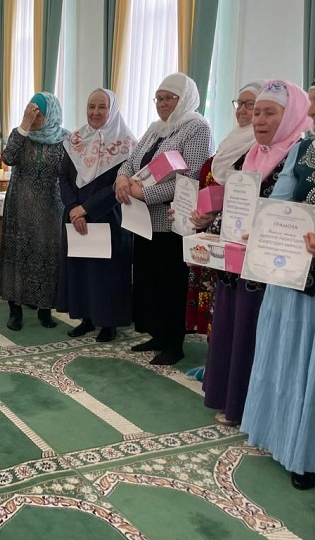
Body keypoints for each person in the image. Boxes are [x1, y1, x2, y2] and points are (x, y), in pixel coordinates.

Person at [241, 65, 315, 490]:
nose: (312, 111)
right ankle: (288, 441)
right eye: (311, 101)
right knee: (294, 360)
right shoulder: (305, 148)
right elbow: (279, 201)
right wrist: (258, 229)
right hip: (295, 279)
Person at [200, 81, 310, 428]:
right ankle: (227, 397)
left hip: (267, 267)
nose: (259, 120)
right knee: (232, 327)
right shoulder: (253, 154)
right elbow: (235, 201)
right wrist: (209, 220)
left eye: (269, 113)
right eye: (256, 112)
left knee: (252, 331)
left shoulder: (299, 156)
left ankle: (247, 408)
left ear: (291, 116)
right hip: (236, 261)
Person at [115, 73, 213, 365]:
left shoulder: (197, 127)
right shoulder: (156, 128)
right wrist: (121, 179)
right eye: (158, 98)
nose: (162, 103)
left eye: (169, 98)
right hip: (143, 220)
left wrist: (145, 193)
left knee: (171, 282)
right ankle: (157, 334)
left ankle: (173, 343)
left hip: (172, 221)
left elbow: (191, 177)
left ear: (185, 98)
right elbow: (131, 162)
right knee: (149, 279)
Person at [184, 82, 265, 339]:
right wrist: (201, 215)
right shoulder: (229, 142)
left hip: (237, 239)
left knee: (232, 313)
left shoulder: (260, 150)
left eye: (250, 105)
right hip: (212, 234)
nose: (241, 110)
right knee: (217, 310)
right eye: (239, 103)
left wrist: (213, 216)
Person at [57, 89, 137, 341]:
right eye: (91, 106)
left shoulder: (126, 144)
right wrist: (73, 208)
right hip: (75, 215)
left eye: (102, 107)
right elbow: (64, 177)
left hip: (109, 216)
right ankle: (87, 318)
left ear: (112, 110)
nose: (95, 112)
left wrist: (87, 209)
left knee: (107, 272)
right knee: (81, 268)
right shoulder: (75, 140)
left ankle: (109, 323)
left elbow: (119, 184)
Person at [0, 93, 67, 330]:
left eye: (39, 114)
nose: (34, 118)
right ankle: (15, 311)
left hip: (51, 207)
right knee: (17, 256)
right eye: (31, 112)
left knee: (47, 257)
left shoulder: (65, 139)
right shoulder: (20, 134)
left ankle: (45, 310)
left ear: (51, 115)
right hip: (19, 207)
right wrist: (24, 126)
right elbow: (8, 158)